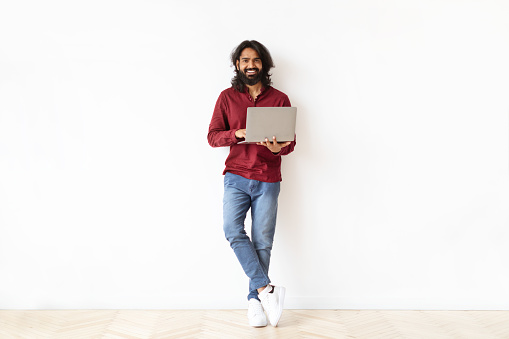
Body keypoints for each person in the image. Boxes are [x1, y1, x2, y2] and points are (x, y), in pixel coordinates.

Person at [207, 40, 296, 328]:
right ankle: (265, 289)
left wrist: (276, 148)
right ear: (237, 65)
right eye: (245, 60)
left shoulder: (280, 98)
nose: (250, 65)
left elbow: (290, 143)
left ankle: (255, 303)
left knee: (263, 243)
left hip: (268, 177)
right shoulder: (226, 98)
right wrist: (238, 133)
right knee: (232, 230)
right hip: (236, 176)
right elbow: (213, 137)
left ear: (264, 65)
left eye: (255, 60)